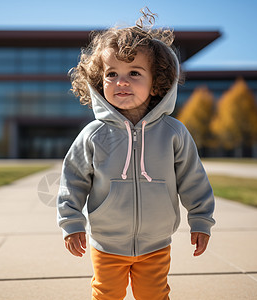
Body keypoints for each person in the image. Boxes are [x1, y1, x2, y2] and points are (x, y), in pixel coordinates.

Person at [57, 8, 215, 300]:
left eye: (134, 73)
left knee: (154, 295)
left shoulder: (173, 132)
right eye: (112, 74)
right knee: (107, 294)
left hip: (156, 243)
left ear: (156, 82)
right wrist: (72, 223)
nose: (122, 81)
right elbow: (73, 180)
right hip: (107, 242)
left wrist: (201, 219)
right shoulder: (93, 134)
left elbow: (193, 178)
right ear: (98, 81)